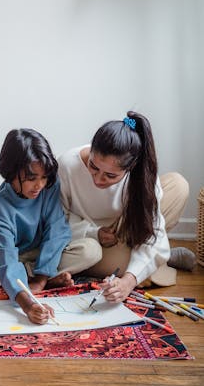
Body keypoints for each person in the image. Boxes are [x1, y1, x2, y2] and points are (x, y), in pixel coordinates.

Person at [58, 111, 195, 304]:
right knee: (127, 266)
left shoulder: (141, 174)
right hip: (92, 240)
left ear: (130, 168)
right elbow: (55, 221)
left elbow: (153, 226)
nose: (98, 179)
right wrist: (93, 233)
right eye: (93, 167)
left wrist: (128, 283)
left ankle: (154, 256)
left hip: (128, 227)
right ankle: (162, 257)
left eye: (110, 176)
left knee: (177, 185)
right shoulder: (67, 165)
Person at [0, 128, 81, 325]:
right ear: (10, 173)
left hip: (42, 252)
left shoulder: (50, 186)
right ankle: (25, 277)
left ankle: (34, 275)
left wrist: (40, 280)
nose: (39, 185)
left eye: (43, 177)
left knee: (90, 250)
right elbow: (6, 255)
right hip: (11, 254)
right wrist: (28, 304)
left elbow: (56, 231)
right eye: (31, 178)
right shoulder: (2, 205)